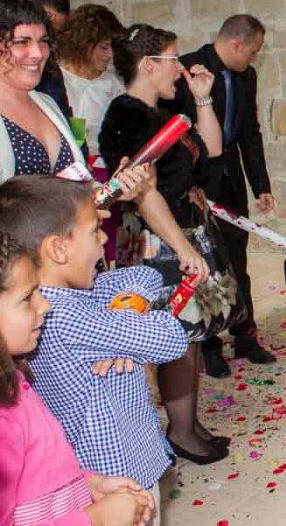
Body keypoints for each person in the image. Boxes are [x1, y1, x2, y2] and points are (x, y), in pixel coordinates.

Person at [0, 178, 183, 525]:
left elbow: (145, 277)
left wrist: (121, 316)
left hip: (100, 478)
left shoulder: (69, 299)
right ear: (58, 249)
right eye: (93, 230)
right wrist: (126, 327)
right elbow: (170, 337)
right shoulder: (66, 317)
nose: (102, 239)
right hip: (117, 477)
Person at [100, 24, 234, 464]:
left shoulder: (167, 108)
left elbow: (212, 150)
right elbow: (145, 195)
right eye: (174, 60)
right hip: (155, 240)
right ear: (147, 65)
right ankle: (180, 431)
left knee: (191, 336)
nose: (180, 69)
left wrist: (202, 98)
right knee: (175, 335)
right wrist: (183, 250)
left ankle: (188, 422)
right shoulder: (126, 116)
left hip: (181, 230)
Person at [162, 15, 275, 378]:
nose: (254, 59)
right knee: (205, 262)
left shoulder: (247, 76)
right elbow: (176, 131)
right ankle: (210, 346)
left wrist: (261, 184)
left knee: (237, 258)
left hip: (230, 179)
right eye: (253, 51)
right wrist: (187, 183)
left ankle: (245, 334)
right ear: (236, 44)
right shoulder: (188, 69)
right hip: (197, 183)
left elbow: (250, 132)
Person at [0, 0, 73, 117]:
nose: (38, 53)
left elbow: (64, 118)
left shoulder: (49, 74)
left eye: (45, 39)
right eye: (22, 41)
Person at [56, 4, 126, 161]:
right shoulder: (58, 82)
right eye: (104, 47)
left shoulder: (115, 82)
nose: (110, 54)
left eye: (112, 47)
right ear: (83, 44)